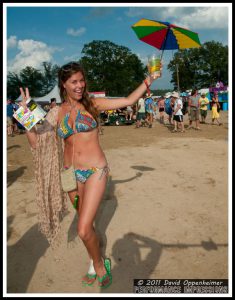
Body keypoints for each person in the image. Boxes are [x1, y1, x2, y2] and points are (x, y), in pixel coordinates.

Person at [19, 61, 161, 289]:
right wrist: (26, 115)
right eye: (74, 81)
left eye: (82, 80)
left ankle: (98, 263)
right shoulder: (56, 112)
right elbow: (36, 143)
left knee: (83, 228)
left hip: (95, 171)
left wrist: (149, 80)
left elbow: (128, 101)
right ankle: (94, 258)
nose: (79, 85)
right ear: (63, 84)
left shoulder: (93, 104)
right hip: (70, 176)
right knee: (88, 225)